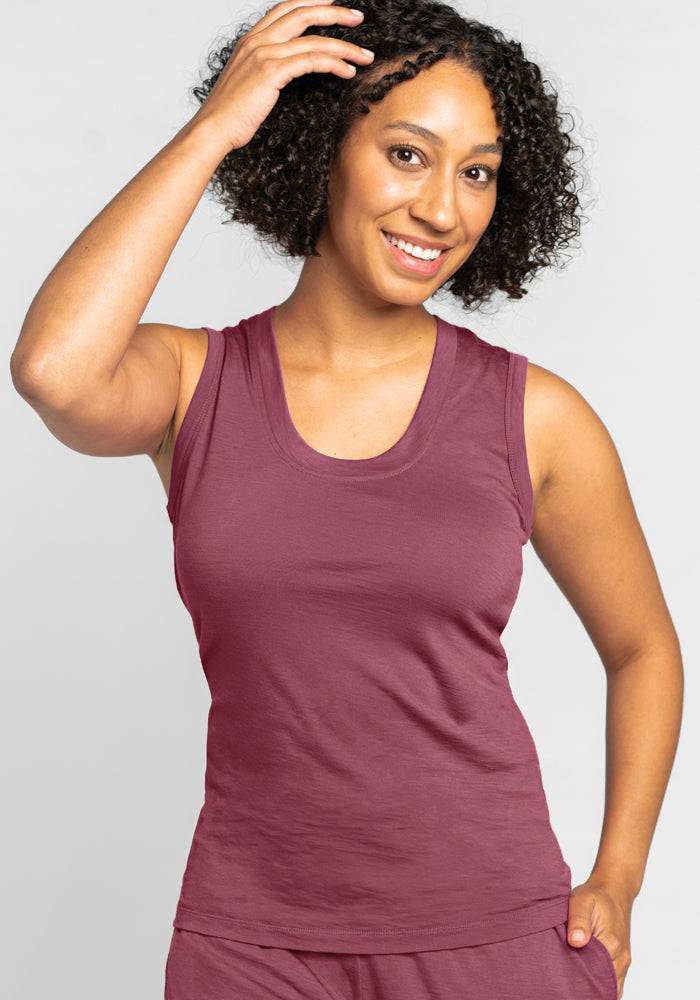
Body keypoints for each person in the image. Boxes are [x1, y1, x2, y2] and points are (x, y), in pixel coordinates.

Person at [10, 0, 683, 997]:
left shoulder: (535, 415)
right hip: (250, 946)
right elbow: (56, 371)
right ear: (323, 148)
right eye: (406, 156)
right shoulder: (194, 385)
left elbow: (644, 651)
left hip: (491, 940)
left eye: (476, 172)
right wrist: (213, 129)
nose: (443, 210)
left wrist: (618, 878)